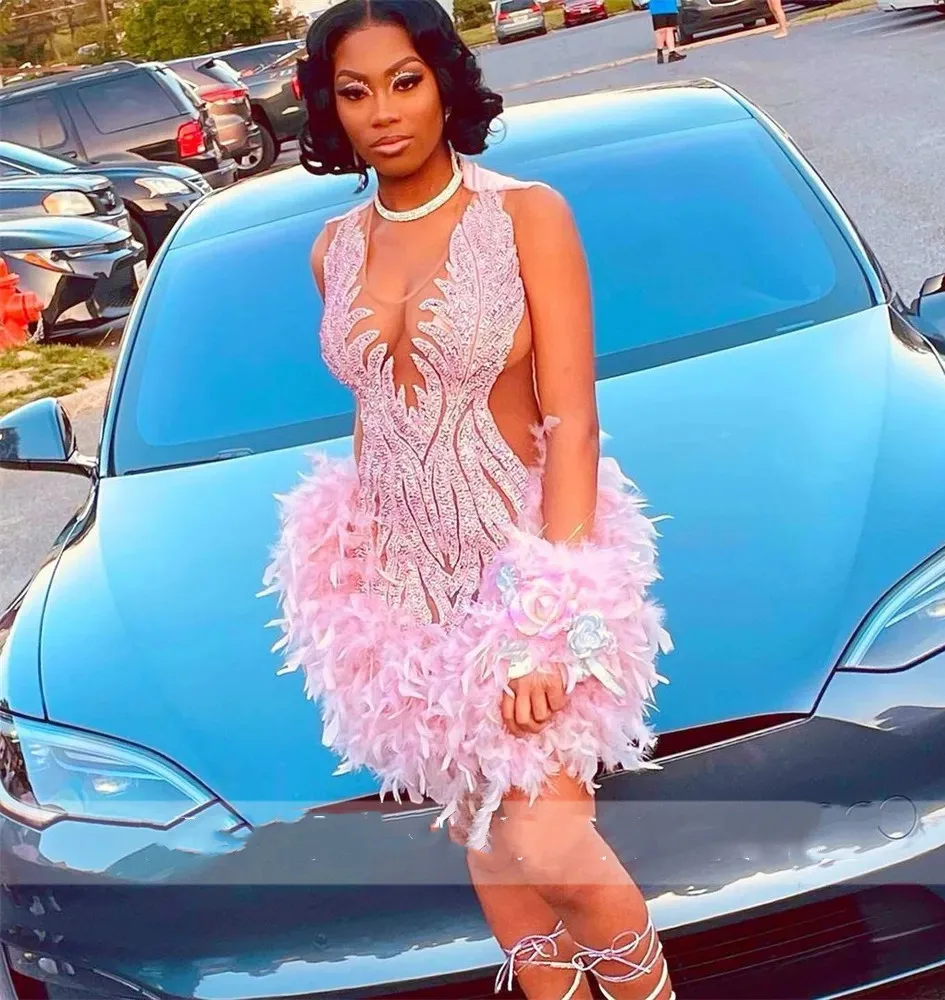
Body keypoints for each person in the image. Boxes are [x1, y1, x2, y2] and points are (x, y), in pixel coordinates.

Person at [266, 2, 675, 998]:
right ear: (329, 109)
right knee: (497, 855)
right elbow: (375, 420)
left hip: (527, 574)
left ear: (445, 83)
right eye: (354, 92)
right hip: (406, 600)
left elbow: (571, 423)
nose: (383, 112)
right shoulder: (332, 249)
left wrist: (547, 621)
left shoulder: (526, 215)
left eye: (404, 81)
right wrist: (361, 593)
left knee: (554, 848)